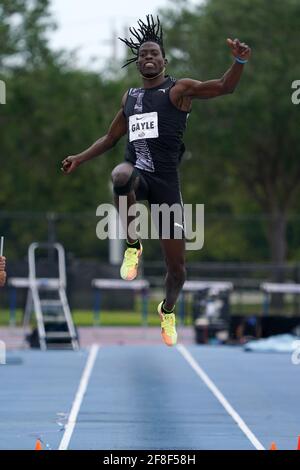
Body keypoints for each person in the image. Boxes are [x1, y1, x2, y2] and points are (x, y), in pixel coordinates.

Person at [62, 15, 251, 347]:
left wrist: (238, 61)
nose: (148, 58)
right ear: (137, 62)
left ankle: (167, 310)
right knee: (119, 175)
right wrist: (79, 157)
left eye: (154, 54)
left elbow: (225, 87)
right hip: (139, 175)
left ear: (164, 60)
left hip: (166, 184)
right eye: (143, 54)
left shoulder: (179, 90)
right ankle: (133, 246)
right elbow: (109, 139)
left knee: (177, 270)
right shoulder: (130, 98)